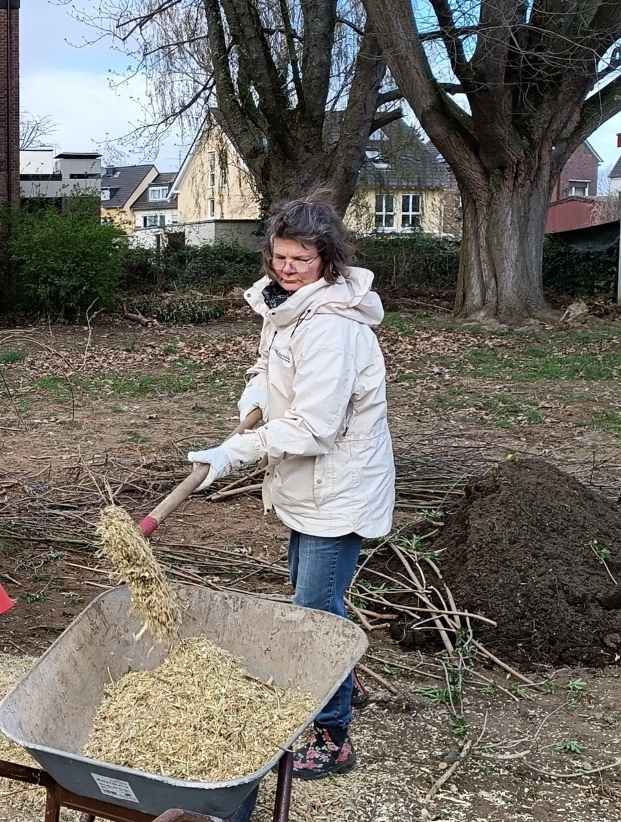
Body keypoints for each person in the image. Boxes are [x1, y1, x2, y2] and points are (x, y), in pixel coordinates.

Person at [186, 196, 395, 780]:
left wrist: (236, 453)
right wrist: (256, 394)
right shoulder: (290, 309)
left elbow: (313, 426)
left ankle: (332, 734)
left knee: (315, 612)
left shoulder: (331, 328)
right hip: (310, 485)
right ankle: (338, 680)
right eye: (279, 256)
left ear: (326, 259)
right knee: (316, 597)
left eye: (300, 258)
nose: (286, 268)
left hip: (336, 485)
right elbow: (273, 368)